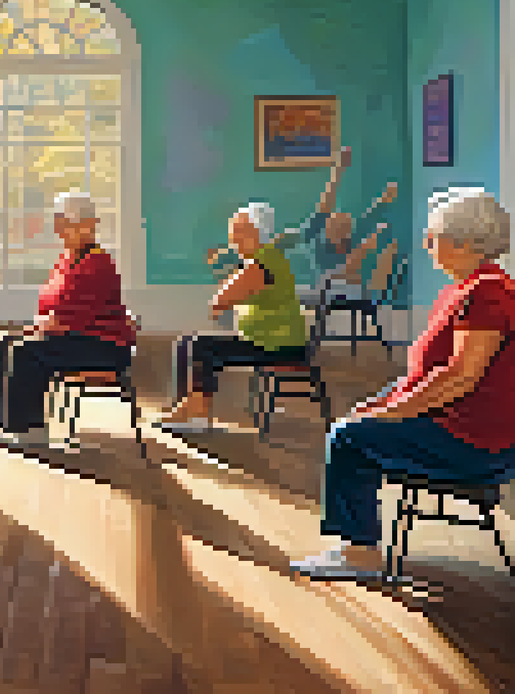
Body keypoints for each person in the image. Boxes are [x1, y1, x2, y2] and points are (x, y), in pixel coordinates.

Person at [292, 188, 515, 580]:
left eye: (434, 237)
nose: (427, 244)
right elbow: (436, 374)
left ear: (463, 242)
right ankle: (356, 543)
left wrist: (391, 411)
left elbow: (461, 378)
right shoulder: (468, 287)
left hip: (473, 442)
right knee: (358, 420)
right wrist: (384, 403)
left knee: (348, 438)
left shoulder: (489, 293)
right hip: (456, 421)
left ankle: (359, 555)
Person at [0, 192, 137, 447]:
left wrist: (41, 328)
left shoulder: (98, 263)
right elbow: (53, 305)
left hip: (103, 347)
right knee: (8, 344)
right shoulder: (67, 259)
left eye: (65, 224)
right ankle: (4, 423)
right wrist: (39, 325)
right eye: (59, 224)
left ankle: (30, 430)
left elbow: (76, 315)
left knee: (26, 351)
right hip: (76, 338)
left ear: (85, 225)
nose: (60, 230)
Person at [160, 202, 309, 433]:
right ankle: (186, 408)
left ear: (257, 233)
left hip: (279, 345)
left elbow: (219, 302)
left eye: (239, 232)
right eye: (232, 232)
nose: (233, 239)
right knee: (186, 343)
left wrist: (229, 284)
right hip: (266, 340)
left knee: (201, 346)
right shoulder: (261, 260)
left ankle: (196, 413)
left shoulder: (262, 263)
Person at [208, 146, 398, 298]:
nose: (338, 227)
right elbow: (325, 212)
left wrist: (382, 202)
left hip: (302, 281)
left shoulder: (330, 246)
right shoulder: (307, 238)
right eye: (335, 223)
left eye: (343, 226)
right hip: (284, 270)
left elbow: (349, 222)